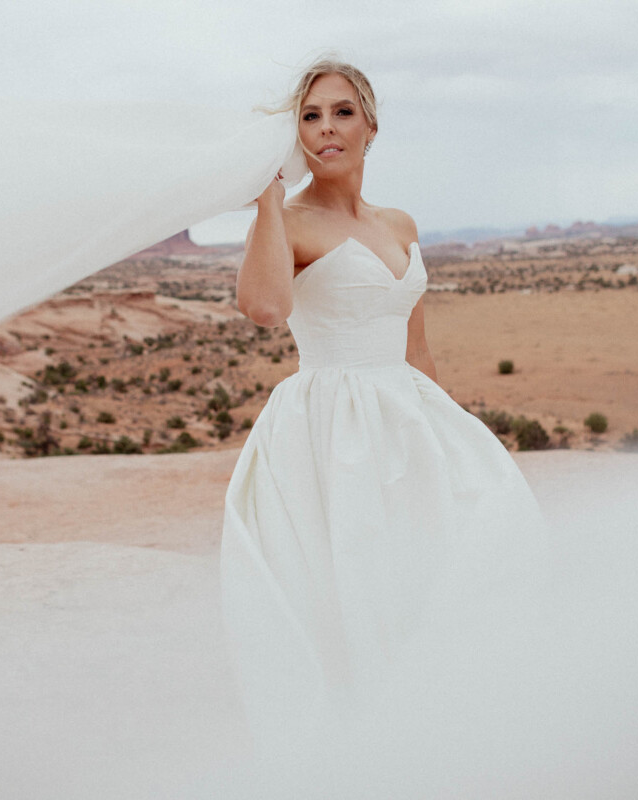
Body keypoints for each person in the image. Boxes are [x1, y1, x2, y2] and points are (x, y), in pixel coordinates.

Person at [219, 59, 543, 734]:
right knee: (355, 589)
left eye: (341, 112)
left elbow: (415, 348)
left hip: (407, 418)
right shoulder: (292, 220)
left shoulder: (400, 224)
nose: (326, 129)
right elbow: (264, 306)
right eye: (310, 116)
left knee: (455, 564)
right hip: (330, 432)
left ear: (371, 124)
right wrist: (267, 206)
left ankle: (441, 729)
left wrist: (447, 441)